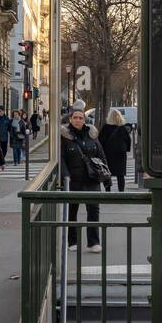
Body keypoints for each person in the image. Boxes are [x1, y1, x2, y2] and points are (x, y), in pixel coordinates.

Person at [61, 106, 109, 252]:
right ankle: (72, 241)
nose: (77, 120)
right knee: (72, 212)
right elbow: (61, 158)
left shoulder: (92, 135)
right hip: (73, 180)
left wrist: (107, 179)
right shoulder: (64, 136)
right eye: (75, 118)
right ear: (70, 119)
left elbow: (101, 156)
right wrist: (65, 175)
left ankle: (93, 242)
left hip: (92, 179)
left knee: (93, 210)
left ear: (84, 120)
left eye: (80, 118)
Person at [99, 110, 131, 192]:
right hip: (120, 155)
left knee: (107, 174)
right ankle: (121, 192)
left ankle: (108, 192)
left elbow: (100, 141)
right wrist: (126, 149)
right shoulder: (122, 128)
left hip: (107, 154)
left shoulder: (105, 128)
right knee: (120, 175)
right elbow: (128, 141)